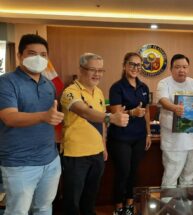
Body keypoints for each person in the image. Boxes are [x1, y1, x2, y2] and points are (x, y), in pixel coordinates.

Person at [0, 34, 64, 215]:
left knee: (44, 208)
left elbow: (52, 117)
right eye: (32, 53)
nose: (38, 58)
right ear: (20, 55)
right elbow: (9, 117)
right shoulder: (6, 82)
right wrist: (44, 116)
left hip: (50, 160)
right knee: (18, 211)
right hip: (20, 163)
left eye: (43, 55)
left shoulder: (48, 85)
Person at [60, 53, 129, 215]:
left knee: (90, 198)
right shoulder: (70, 92)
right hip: (75, 154)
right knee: (72, 200)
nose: (97, 74)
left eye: (100, 70)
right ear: (81, 69)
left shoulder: (98, 92)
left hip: (97, 153)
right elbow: (84, 112)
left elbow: (101, 122)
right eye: (92, 69)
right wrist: (111, 117)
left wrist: (103, 146)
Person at [107, 52, 151, 215]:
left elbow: (146, 112)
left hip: (139, 137)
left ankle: (130, 204)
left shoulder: (144, 87)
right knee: (123, 172)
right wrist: (132, 113)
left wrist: (148, 134)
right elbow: (116, 113)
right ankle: (118, 206)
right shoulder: (117, 87)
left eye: (138, 65)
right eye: (132, 64)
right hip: (121, 138)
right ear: (124, 65)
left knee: (134, 171)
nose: (135, 68)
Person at [156, 54, 193, 187]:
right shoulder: (164, 83)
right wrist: (174, 108)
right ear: (171, 69)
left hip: (191, 138)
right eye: (177, 67)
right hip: (173, 140)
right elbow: (162, 100)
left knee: (189, 176)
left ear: (188, 68)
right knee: (171, 176)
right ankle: (168, 205)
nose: (181, 70)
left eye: (184, 67)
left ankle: (185, 205)